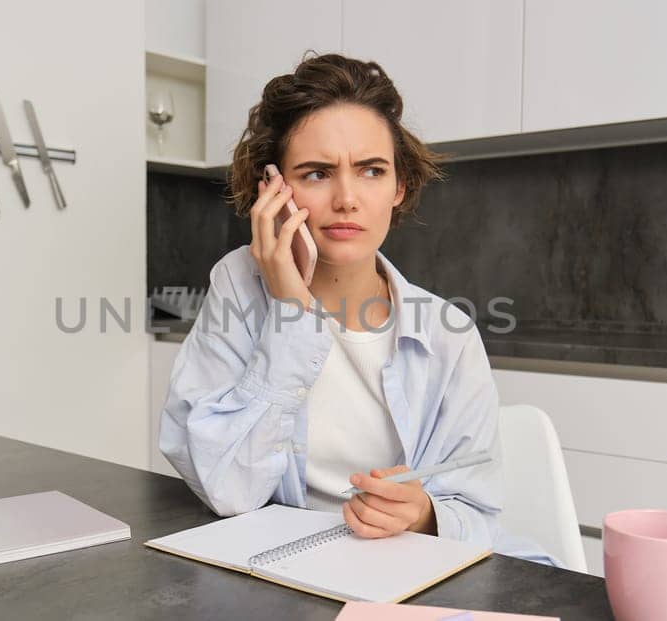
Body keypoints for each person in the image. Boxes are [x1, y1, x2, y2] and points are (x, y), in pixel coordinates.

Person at [158, 53, 554, 565]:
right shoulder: (238, 286)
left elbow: (474, 511)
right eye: (317, 173)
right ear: (273, 189)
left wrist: (422, 514)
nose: (347, 198)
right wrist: (291, 312)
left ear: (399, 187)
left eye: (371, 170)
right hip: (284, 569)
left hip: (399, 572)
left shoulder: (447, 333)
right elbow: (227, 492)